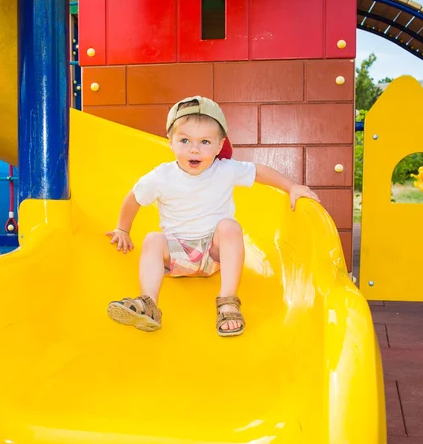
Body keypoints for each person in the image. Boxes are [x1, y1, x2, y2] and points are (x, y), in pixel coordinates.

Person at [106, 95, 320, 337]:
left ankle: (228, 300)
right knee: (153, 239)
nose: (194, 149)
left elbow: (259, 172)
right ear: (171, 142)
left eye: (205, 141)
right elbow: (134, 198)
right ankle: (148, 304)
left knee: (229, 226)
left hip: (214, 254)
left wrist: (291, 186)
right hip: (177, 256)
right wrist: (123, 229)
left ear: (219, 146)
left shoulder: (225, 170)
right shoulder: (160, 176)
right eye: (185, 140)